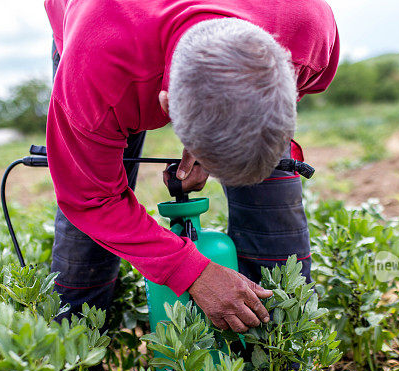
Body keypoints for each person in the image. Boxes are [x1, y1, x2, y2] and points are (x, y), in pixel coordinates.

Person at [44, 0, 339, 333]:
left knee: (272, 210)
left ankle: (277, 368)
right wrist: (192, 272)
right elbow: (91, 198)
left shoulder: (307, 29)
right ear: (166, 104)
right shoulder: (94, 75)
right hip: (106, 39)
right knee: (88, 239)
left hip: (260, 27)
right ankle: (78, 368)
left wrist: (212, 138)